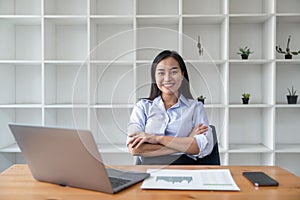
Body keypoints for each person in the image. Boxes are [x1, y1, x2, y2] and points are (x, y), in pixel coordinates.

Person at [127, 50, 214, 165]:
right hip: (149, 170)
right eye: (161, 73)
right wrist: (186, 143)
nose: (167, 78)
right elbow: (135, 148)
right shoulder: (142, 107)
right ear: (154, 77)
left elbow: (202, 147)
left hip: (186, 170)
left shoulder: (196, 108)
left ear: (182, 74)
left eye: (174, 72)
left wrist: (157, 139)